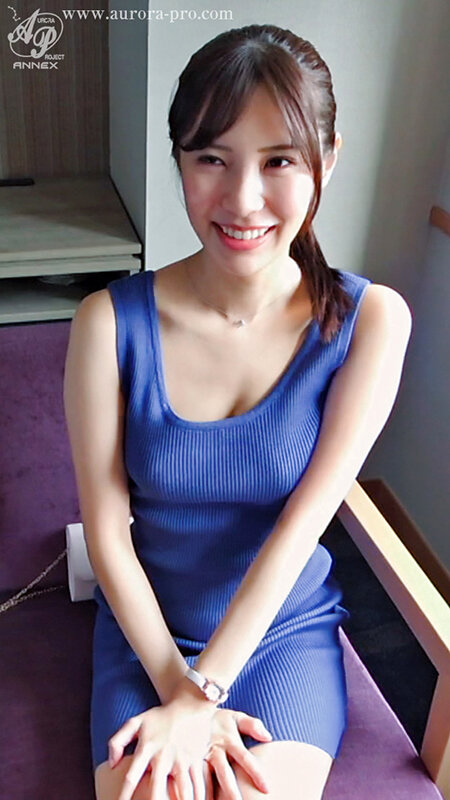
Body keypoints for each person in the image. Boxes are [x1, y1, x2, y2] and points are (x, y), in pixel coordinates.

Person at [64, 23, 412, 800]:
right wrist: (177, 688)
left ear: (327, 160)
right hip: (148, 633)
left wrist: (206, 692)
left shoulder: (371, 322)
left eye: (279, 160)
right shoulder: (107, 324)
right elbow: (108, 535)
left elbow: (303, 525)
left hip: (281, 633)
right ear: (180, 160)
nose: (243, 199)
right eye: (211, 159)